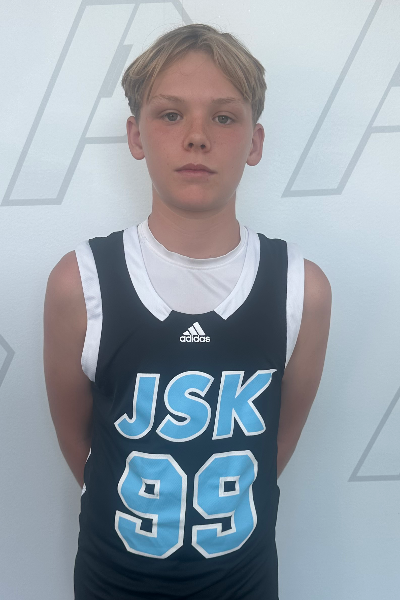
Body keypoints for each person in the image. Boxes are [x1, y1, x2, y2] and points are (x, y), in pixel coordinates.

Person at [43, 23, 331, 600]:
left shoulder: (301, 289)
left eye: (224, 117)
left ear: (255, 142)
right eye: (171, 114)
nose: (197, 136)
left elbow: (276, 441)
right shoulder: (80, 282)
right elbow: (82, 444)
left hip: (242, 582)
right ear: (136, 135)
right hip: (113, 580)